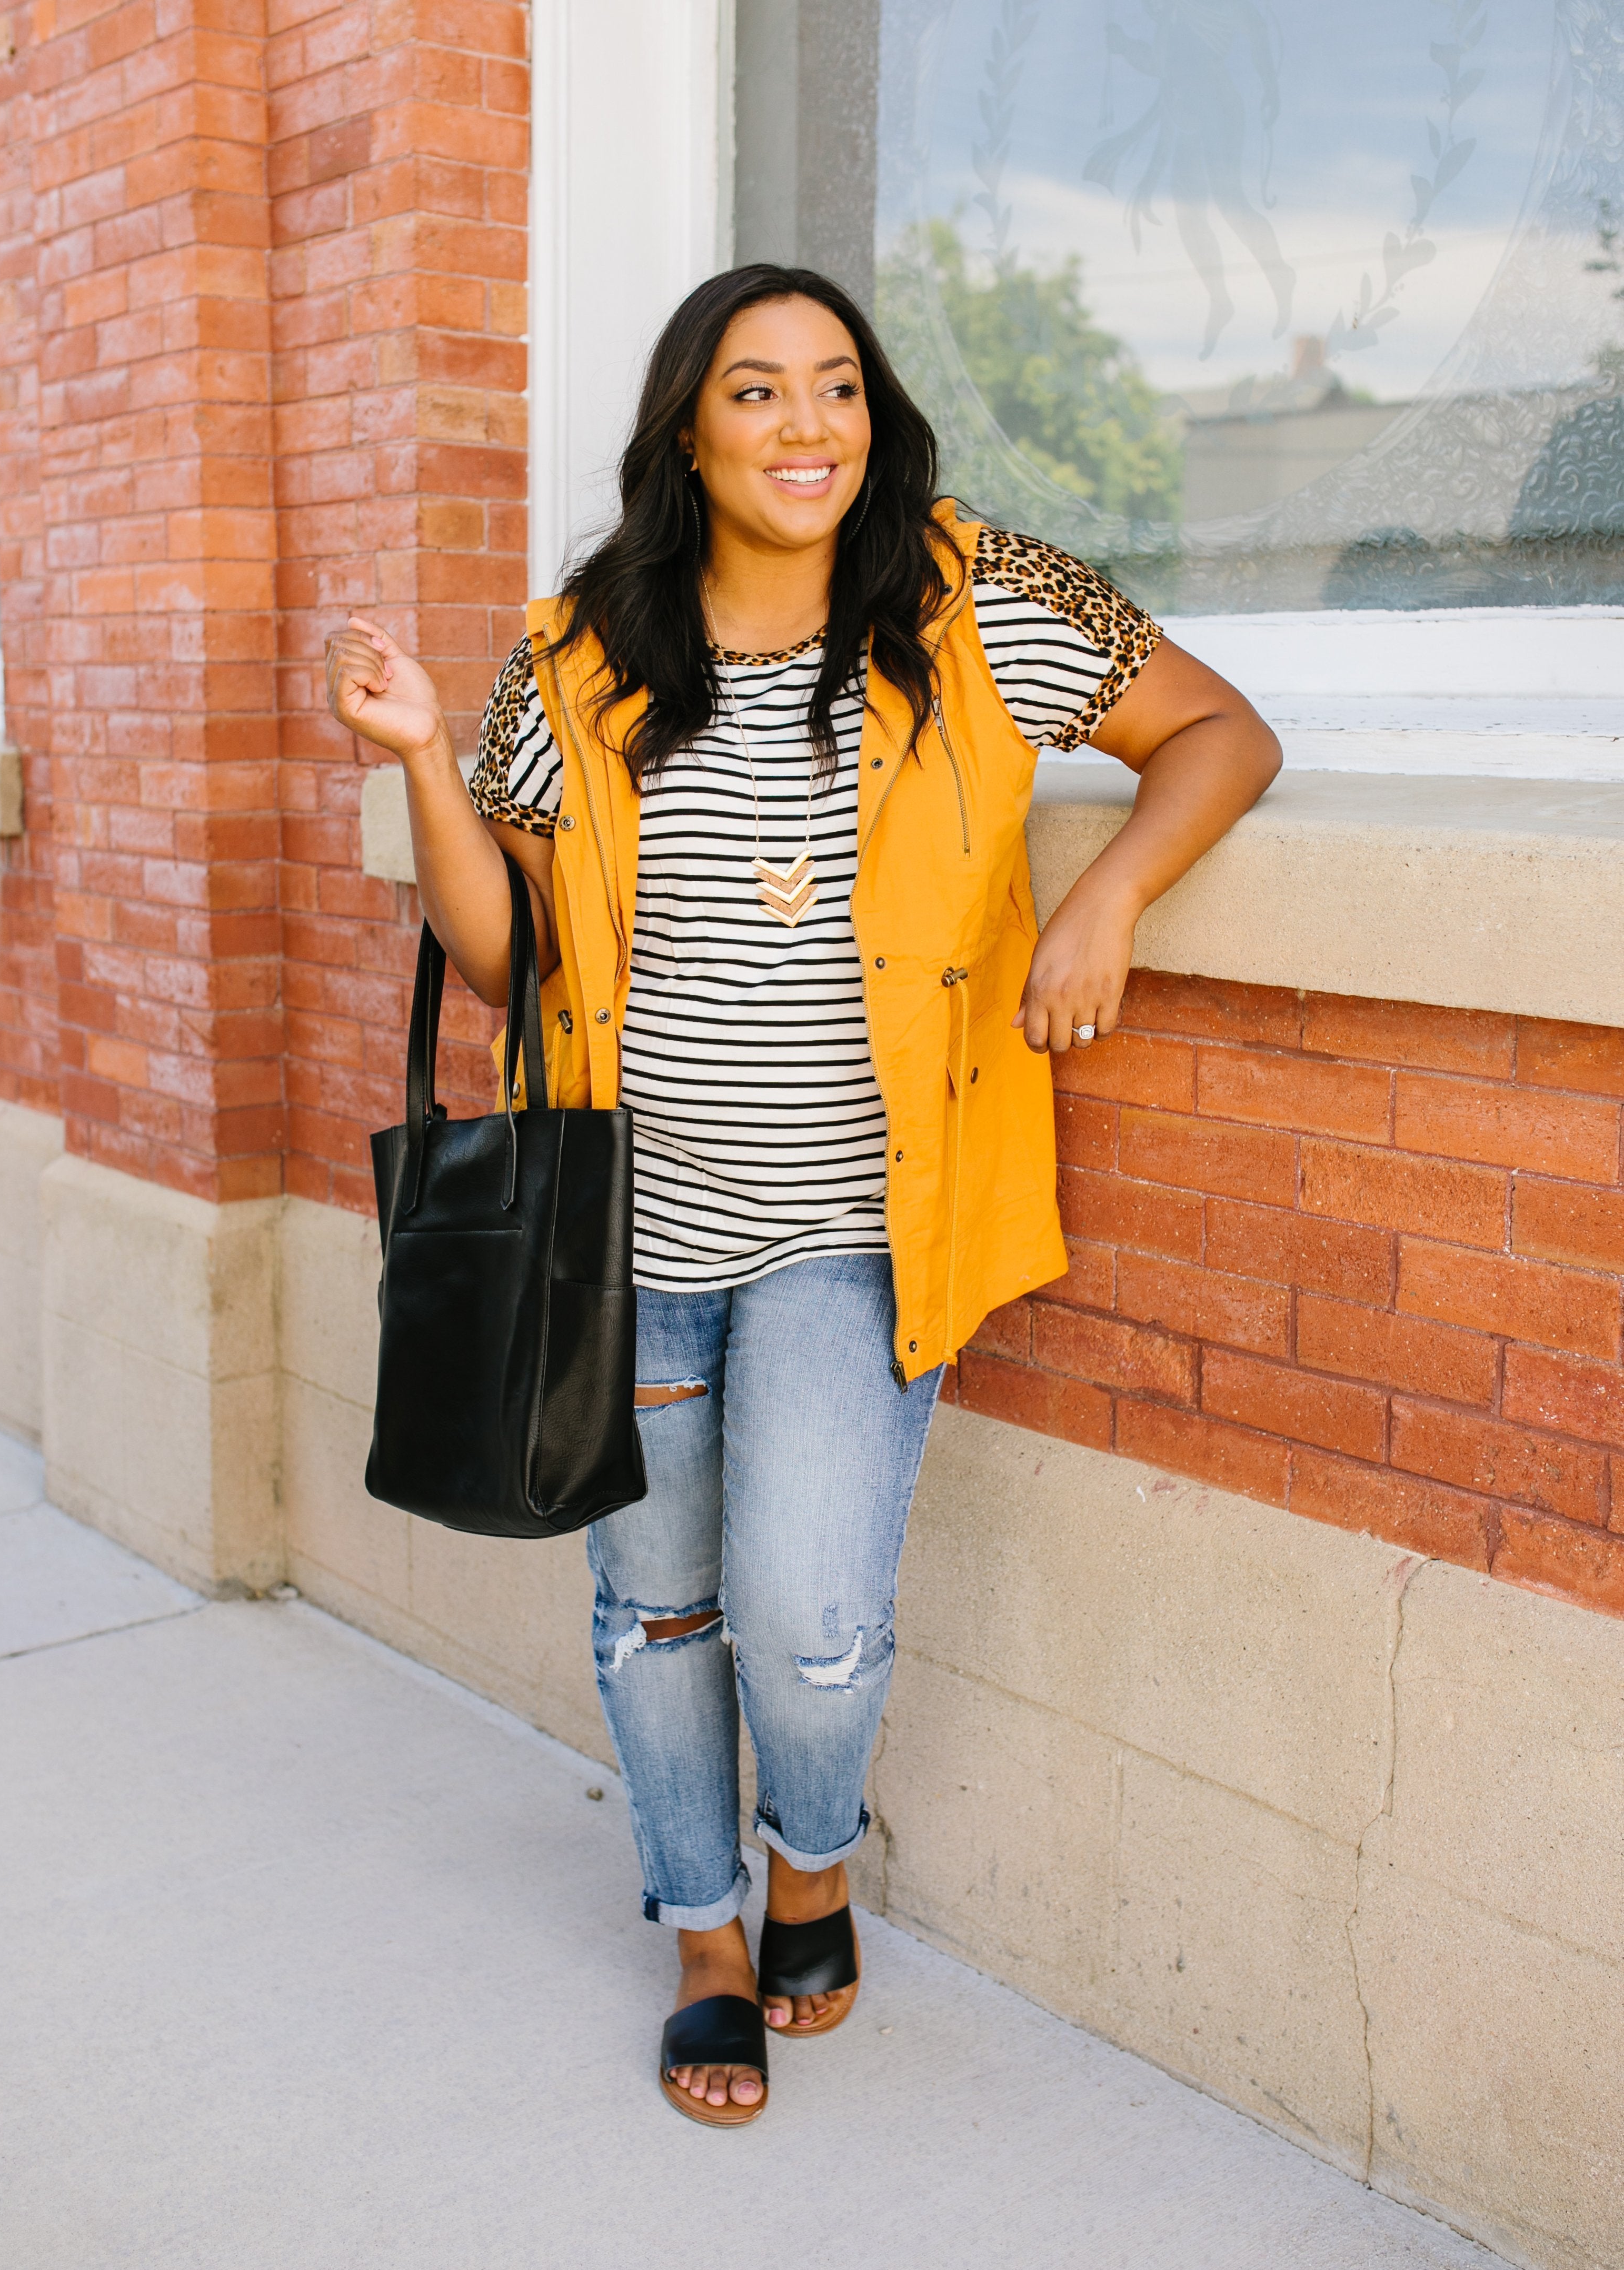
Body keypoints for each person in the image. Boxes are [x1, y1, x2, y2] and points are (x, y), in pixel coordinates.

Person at [325, 264, 1281, 2128]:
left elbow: (1222, 733)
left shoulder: (978, 593)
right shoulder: (578, 649)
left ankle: (814, 1860)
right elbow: (502, 946)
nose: (807, 426)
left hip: (862, 1232)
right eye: (757, 392)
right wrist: (430, 758)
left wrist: (1107, 897)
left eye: (837, 387)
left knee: (810, 1619)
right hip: (635, 1242)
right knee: (654, 1611)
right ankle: (704, 1933)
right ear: (691, 425)